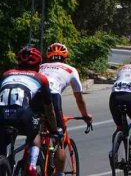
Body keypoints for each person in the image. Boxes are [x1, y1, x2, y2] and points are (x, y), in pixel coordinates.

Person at [0, 46, 59, 176]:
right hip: (22, 114)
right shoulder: (41, 78)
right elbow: (49, 109)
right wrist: (54, 130)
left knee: (2, 142)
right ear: (38, 65)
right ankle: (32, 165)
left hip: (2, 113)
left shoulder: (6, 74)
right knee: (35, 134)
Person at [40, 43, 93, 176]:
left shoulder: (40, 67)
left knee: (38, 130)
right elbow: (79, 98)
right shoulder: (70, 70)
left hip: (34, 96)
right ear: (65, 58)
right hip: (52, 97)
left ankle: (37, 154)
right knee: (59, 138)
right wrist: (85, 115)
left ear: (48, 58)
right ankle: (59, 173)